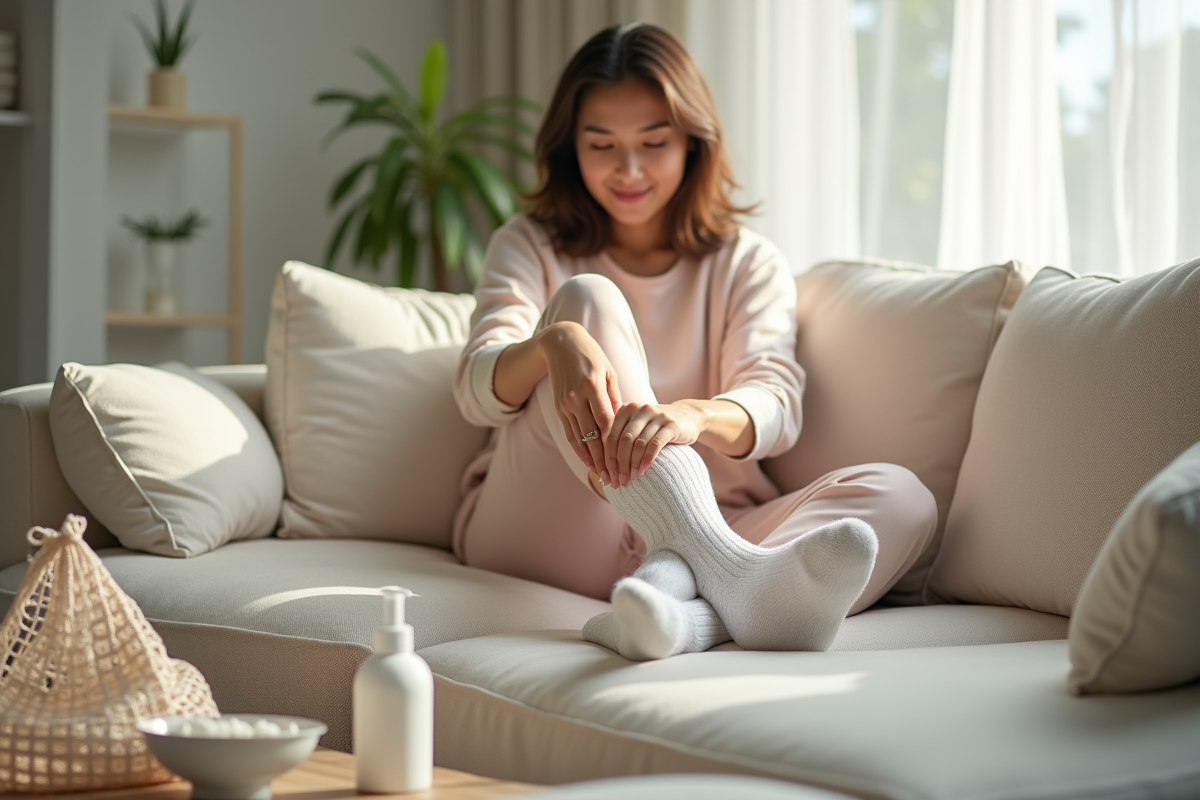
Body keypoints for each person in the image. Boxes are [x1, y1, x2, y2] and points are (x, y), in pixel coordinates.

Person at [452, 22, 936, 660]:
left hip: (713, 516)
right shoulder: (530, 243)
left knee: (905, 499)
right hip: (555, 526)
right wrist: (554, 345)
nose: (629, 170)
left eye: (654, 142)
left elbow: (776, 405)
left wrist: (693, 416)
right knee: (586, 301)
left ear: (692, 143)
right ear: (571, 149)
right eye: (602, 145)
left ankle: (678, 613)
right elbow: (474, 390)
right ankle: (733, 577)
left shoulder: (746, 262)